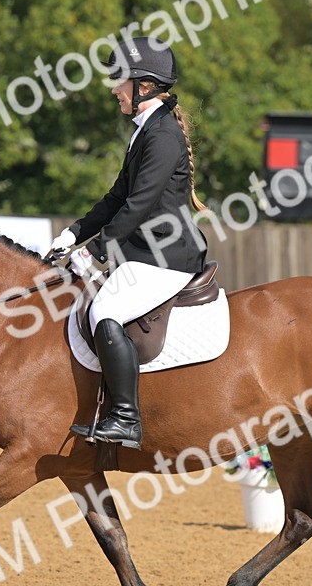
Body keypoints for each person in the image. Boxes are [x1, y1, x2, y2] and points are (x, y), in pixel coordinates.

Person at [48, 36, 209, 450]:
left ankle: (125, 418)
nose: (112, 89)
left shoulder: (162, 136)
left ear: (145, 85)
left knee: (106, 310)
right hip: (145, 253)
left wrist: (96, 251)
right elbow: (117, 198)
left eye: (119, 81)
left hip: (166, 257)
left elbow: (140, 204)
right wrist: (74, 234)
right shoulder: (146, 131)